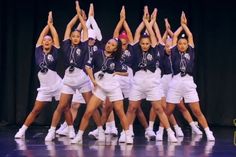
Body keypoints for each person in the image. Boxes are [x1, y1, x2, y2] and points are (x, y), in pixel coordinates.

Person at [45, 1, 103, 142]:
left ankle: (101, 130)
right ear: (70, 37)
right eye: (74, 36)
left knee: (91, 106)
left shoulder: (83, 45)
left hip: (82, 79)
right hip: (68, 79)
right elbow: (69, 26)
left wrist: (81, 16)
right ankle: (52, 131)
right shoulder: (65, 45)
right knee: (62, 105)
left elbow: (83, 28)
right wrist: (76, 15)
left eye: (78, 36)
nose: (76, 38)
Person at [125, 6, 177, 142]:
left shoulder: (154, 50)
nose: (145, 45)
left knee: (159, 108)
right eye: (143, 43)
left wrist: (150, 22)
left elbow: (153, 35)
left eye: (147, 43)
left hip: (152, 81)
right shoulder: (136, 49)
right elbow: (137, 32)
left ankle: (170, 133)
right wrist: (144, 20)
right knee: (132, 107)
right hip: (138, 80)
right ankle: (126, 132)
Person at [71, 37, 133, 144]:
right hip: (100, 87)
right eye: (108, 43)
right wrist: (93, 81)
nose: (109, 45)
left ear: (115, 49)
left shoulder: (116, 59)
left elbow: (126, 72)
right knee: (88, 111)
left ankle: (127, 135)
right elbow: (88, 67)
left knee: (120, 112)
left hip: (113, 87)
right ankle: (79, 136)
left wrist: (117, 73)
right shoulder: (97, 54)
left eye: (113, 45)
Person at [165, 11, 215, 141]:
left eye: (184, 44)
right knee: (168, 111)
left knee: (197, 111)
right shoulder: (174, 52)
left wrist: (184, 25)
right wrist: (181, 26)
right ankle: (162, 131)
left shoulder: (191, 51)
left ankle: (208, 131)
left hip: (188, 82)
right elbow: (175, 35)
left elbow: (190, 35)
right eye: (180, 43)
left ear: (187, 45)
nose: (182, 45)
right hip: (175, 81)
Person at [14, 12, 62, 139]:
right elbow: (41, 37)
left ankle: (68, 129)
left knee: (65, 108)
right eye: (45, 40)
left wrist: (51, 26)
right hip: (45, 87)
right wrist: (47, 25)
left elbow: (56, 37)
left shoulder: (55, 52)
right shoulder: (38, 52)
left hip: (57, 85)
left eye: (49, 40)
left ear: (52, 43)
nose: (46, 41)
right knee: (36, 110)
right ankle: (22, 130)